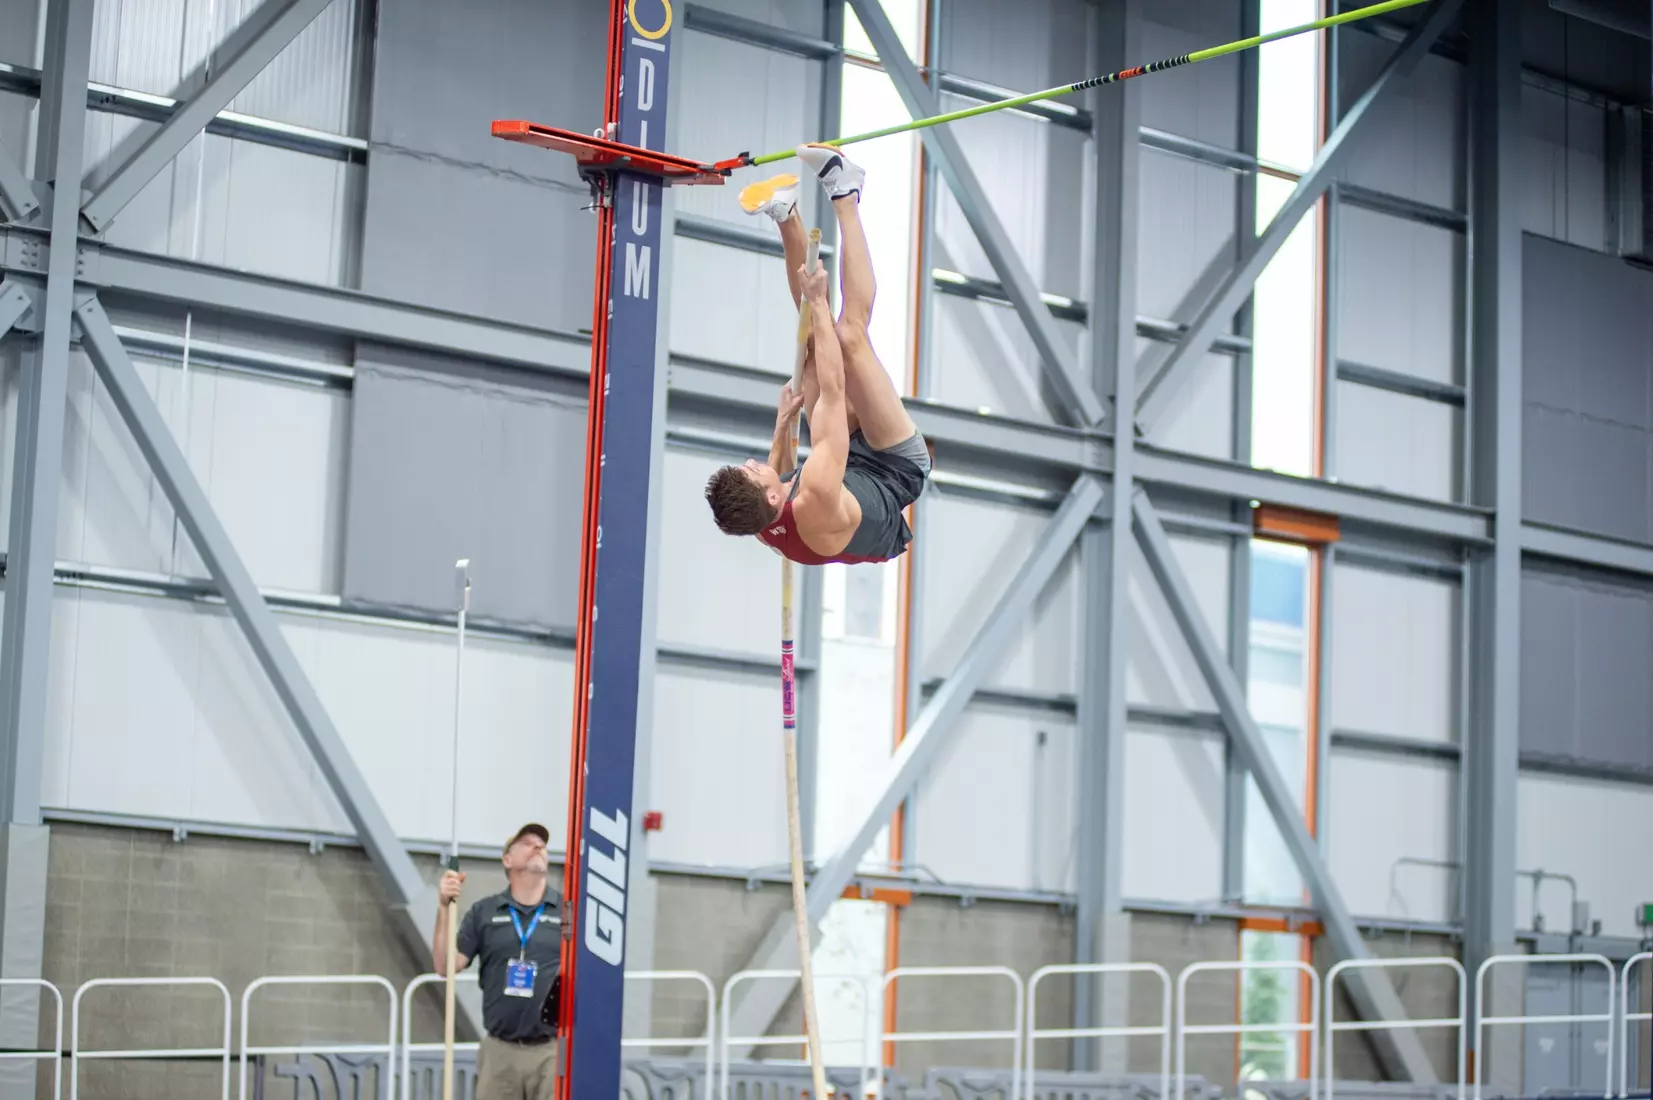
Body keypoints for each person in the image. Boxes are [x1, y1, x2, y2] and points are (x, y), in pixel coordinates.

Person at [703, 144, 933, 565]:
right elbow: (832, 389)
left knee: (810, 350)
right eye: (751, 469)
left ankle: (785, 214)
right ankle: (846, 191)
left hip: (848, 472)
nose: (753, 461)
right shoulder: (815, 500)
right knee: (847, 336)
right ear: (772, 496)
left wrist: (782, 421)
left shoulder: (754, 518)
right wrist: (819, 301)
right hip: (894, 471)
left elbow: (780, 467)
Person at [434, 822, 562, 1100]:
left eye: (542, 844)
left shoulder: (568, 912)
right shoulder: (484, 913)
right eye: (527, 843)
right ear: (507, 860)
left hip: (551, 1050)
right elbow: (445, 966)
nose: (538, 847)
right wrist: (444, 907)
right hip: (499, 1052)